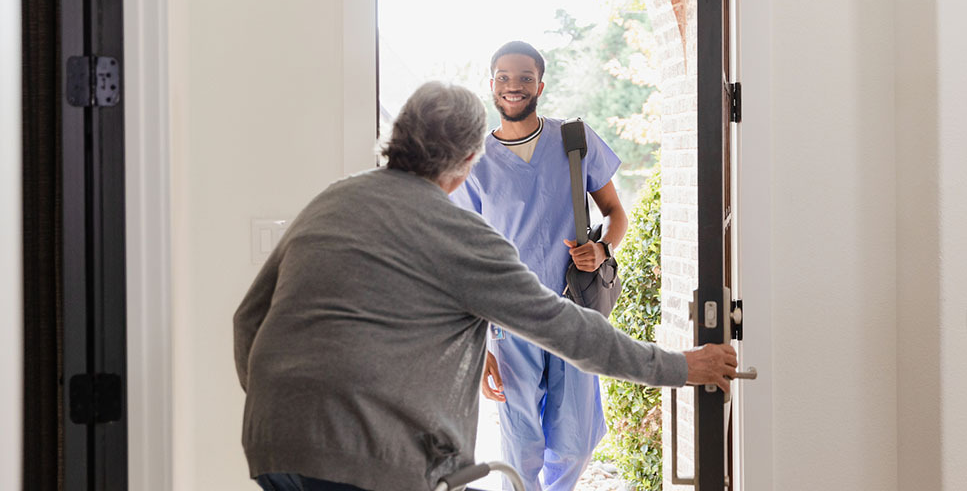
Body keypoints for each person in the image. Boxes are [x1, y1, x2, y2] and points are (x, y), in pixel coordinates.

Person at [234, 81, 737, 491]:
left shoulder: (334, 200)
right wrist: (679, 366)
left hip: (273, 441)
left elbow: (249, 319)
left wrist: (285, 406)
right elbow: (564, 326)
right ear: (472, 158)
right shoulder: (456, 233)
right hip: (369, 455)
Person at [450, 41, 628, 491]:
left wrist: (603, 248)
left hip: (574, 313)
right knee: (520, 444)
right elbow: (463, 259)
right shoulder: (473, 162)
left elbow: (615, 213)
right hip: (510, 321)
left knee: (576, 441)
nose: (514, 87)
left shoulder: (574, 140)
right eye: (504, 78)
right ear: (491, 85)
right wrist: (481, 343)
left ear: (540, 86)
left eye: (524, 78)